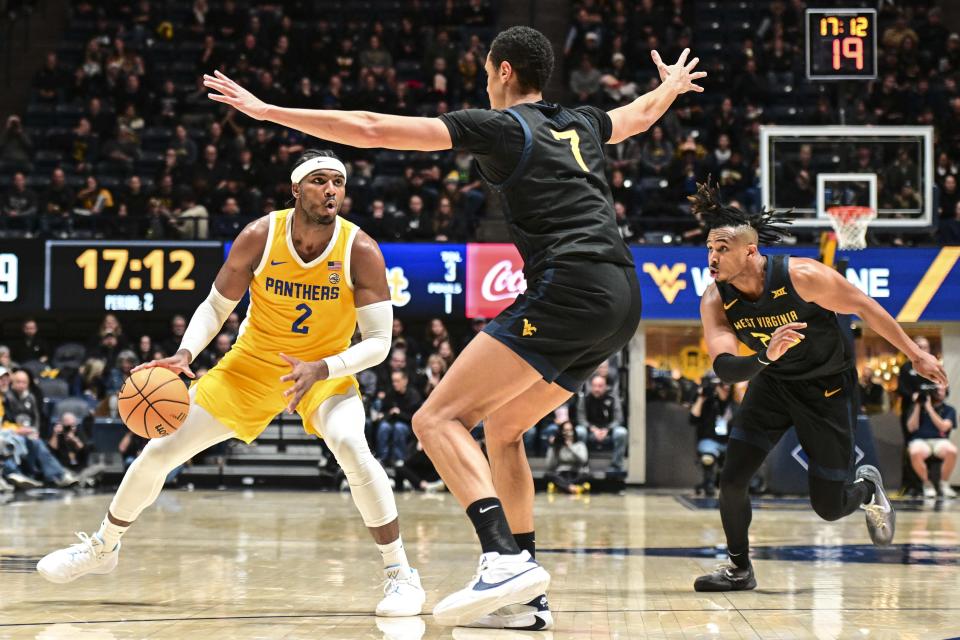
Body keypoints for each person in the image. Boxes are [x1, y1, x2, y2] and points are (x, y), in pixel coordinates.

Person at [202, 27, 703, 629]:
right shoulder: (583, 121)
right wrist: (670, 87)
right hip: (622, 296)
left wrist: (267, 111)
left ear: (505, 72)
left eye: (488, 71)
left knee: (436, 419)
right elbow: (640, 116)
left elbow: (370, 128)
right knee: (505, 428)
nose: (485, 81)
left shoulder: (500, 125)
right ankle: (527, 596)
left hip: (569, 286)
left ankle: (501, 558)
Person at [37, 149, 426, 618]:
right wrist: (185, 354)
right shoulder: (261, 235)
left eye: (338, 183)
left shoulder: (358, 249)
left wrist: (322, 369)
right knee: (158, 451)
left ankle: (400, 573)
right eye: (320, 181)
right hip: (250, 366)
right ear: (296, 189)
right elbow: (216, 306)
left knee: (350, 445)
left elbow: (380, 343)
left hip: (324, 370)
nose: (331, 191)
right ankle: (103, 548)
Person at [689, 182, 947, 592]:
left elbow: (866, 306)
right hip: (773, 384)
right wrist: (765, 357)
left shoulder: (802, 275)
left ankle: (866, 488)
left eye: (722, 248)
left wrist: (915, 355)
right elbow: (725, 368)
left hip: (827, 388)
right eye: (709, 248)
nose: (712, 257)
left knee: (828, 507)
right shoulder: (714, 299)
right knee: (732, 479)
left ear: (750, 251)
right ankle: (739, 568)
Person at [906, 384, 957, 498]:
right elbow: (911, 428)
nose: (939, 393)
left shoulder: (949, 409)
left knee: (952, 451)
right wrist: (918, 405)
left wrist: (929, 409)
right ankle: (927, 484)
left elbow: (944, 427)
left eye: (942, 390)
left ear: (946, 393)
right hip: (920, 440)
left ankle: (943, 484)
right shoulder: (917, 407)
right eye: (937, 390)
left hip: (940, 440)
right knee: (915, 452)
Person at [689, 373, 734, 497]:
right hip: (709, 439)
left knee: (737, 458)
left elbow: (725, 401)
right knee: (708, 456)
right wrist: (701, 398)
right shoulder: (704, 399)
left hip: (728, 440)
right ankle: (708, 483)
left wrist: (719, 388)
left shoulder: (730, 397)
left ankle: (728, 484)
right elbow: (693, 418)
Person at [544, 420, 590, 495]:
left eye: (570, 430)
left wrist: (570, 447)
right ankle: (572, 488)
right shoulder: (557, 446)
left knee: (587, 475)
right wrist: (553, 447)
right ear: (561, 432)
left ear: (574, 431)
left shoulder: (580, 445)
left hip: (576, 473)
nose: (568, 433)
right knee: (549, 475)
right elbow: (549, 466)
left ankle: (564, 487)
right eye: (565, 430)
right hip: (561, 474)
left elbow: (584, 460)